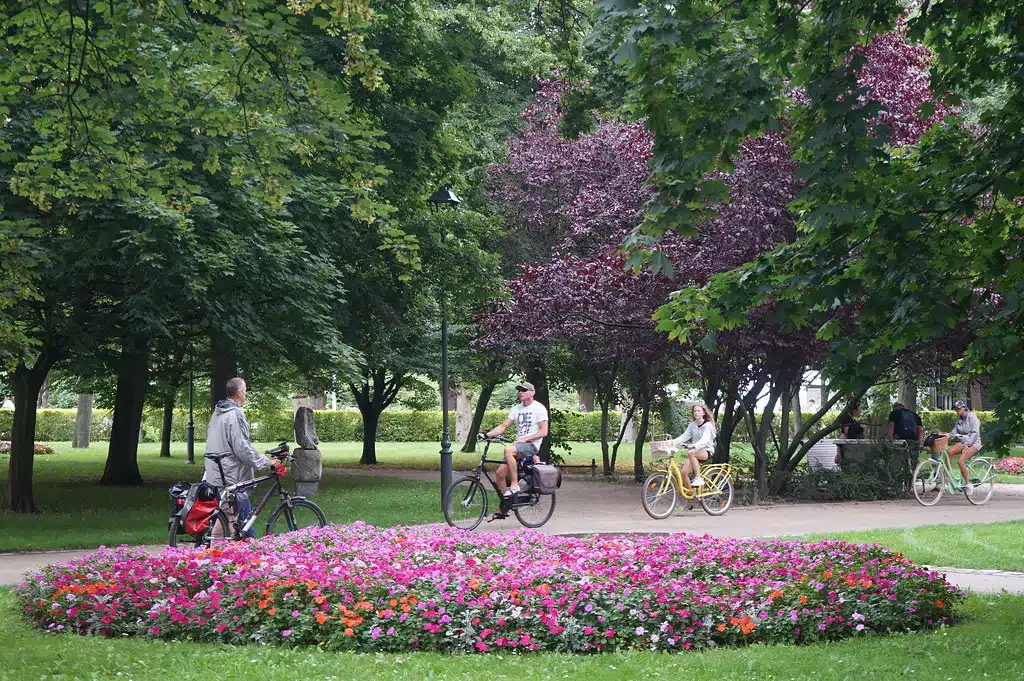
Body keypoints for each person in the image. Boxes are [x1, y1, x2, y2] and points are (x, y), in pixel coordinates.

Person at [204, 377, 280, 538]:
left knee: (230, 515)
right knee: (239, 514)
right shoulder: (234, 414)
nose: (246, 394)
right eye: (245, 391)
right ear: (239, 393)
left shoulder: (218, 412)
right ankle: (240, 549)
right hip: (231, 473)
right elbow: (242, 447)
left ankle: (225, 549)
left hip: (216, 470)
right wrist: (266, 463)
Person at [484, 381, 548, 500]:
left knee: (508, 450)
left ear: (532, 392)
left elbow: (544, 432)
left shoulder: (539, 408)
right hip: (519, 446)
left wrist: (525, 439)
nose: (520, 392)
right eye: (519, 390)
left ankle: (514, 484)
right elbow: (503, 426)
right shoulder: (516, 409)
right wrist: (486, 435)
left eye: (524, 390)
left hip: (531, 445)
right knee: (499, 474)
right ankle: (506, 503)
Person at [670, 403, 716, 490]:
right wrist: (672, 442)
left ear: (703, 413)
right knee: (683, 473)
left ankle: (698, 478)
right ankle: (690, 494)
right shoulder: (692, 425)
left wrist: (694, 445)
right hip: (694, 453)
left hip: (706, 452)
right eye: (695, 411)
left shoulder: (708, 425)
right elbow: (684, 437)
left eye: (698, 411)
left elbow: (705, 440)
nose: (696, 413)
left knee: (691, 452)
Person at [944, 399, 983, 493]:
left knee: (961, 461)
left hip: (973, 443)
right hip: (964, 442)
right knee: (949, 452)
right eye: (956, 409)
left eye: (958, 409)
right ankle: (948, 477)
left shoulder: (973, 418)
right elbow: (954, 432)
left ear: (964, 408)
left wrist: (967, 445)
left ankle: (967, 483)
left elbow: (974, 433)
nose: (957, 411)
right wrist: (947, 435)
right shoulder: (959, 421)